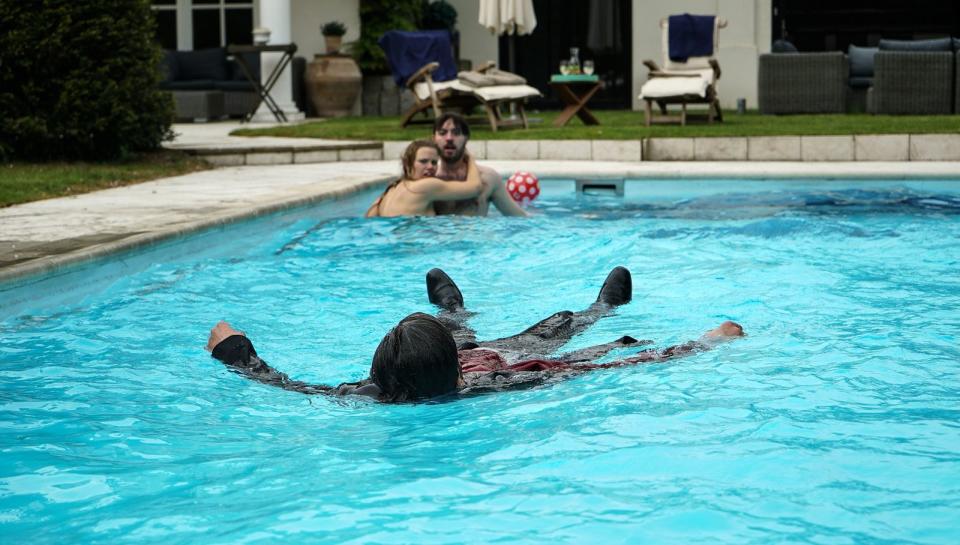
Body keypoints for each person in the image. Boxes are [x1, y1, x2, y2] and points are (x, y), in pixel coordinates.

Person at [206, 269, 745, 403]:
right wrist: (706, 343)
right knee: (570, 329)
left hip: (478, 349)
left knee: (455, 324)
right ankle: (605, 306)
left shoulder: (370, 392)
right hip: (513, 357)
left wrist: (235, 351)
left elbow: (286, 385)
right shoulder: (492, 386)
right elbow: (603, 367)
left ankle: (452, 308)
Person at [430, 113, 528, 217]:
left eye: (456, 132)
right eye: (442, 133)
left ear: (466, 138)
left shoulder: (488, 178)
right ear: (434, 139)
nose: (449, 138)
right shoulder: (428, 180)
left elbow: (519, 217)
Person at [365, 139, 486, 217]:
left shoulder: (388, 192)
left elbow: (369, 218)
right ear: (408, 164)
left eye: (434, 162)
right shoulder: (426, 186)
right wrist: (469, 159)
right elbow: (475, 188)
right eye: (423, 161)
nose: (430, 167)